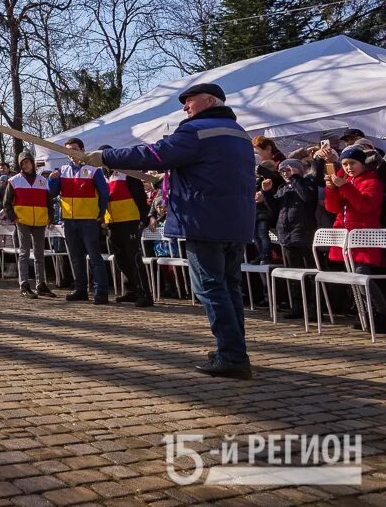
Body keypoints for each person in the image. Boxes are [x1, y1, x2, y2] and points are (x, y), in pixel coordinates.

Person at [84, 82, 255, 379]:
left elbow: (154, 153)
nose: (185, 107)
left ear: (210, 100)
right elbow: (202, 171)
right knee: (229, 288)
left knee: (211, 289)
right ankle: (234, 349)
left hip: (204, 222)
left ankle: (232, 356)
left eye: (190, 101)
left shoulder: (195, 132)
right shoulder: (238, 133)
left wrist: (107, 157)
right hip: (234, 222)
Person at [323, 146, 385, 322]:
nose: (349, 167)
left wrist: (345, 188)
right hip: (346, 236)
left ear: (362, 164)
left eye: (353, 163)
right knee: (354, 276)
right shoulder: (345, 179)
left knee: (361, 274)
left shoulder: (372, 181)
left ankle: (381, 311)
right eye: (345, 164)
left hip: (364, 235)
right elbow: (332, 207)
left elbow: (367, 207)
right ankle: (366, 314)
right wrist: (332, 189)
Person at [50, 138, 111, 304]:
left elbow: (104, 194)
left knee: (94, 257)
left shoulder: (94, 171)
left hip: (89, 220)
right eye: (68, 151)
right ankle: (81, 289)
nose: (72, 154)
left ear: (83, 150)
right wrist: (52, 180)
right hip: (69, 221)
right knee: (75, 257)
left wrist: (101, 213)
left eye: (75, 150)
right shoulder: (61, 171)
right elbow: (53, 193)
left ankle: (101, 291)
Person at [97, 146, 153, 308]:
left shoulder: (126, 172)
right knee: (121, 258)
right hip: (112, 222)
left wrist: (142, 218)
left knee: (134, 257)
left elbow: (139, 195)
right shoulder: (103, 176)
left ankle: (145, 293)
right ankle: (131, 290)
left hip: (130, 220)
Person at [264, 157, 317, 319]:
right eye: (282, 171)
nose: (285, 173)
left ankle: (313, 307)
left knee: (308, 273)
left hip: (303, 234)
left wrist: (295, 178)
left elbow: (307, 197)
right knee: (293, 273)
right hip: (286, 235)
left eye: (288, 170)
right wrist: (267, 194)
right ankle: (298, 306)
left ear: (298, 170)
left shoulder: (306, 183)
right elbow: (275, 210)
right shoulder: (282, 188)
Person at [3, 152, 55, 298]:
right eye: (22, 163)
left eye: (27, 162)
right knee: (24, 253)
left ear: (32, 163)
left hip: (39, 221)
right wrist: (14, 218)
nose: (25, 165)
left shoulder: (42, 181)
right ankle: (24, 285)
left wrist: (49, 218)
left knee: (39, 254)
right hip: (23, 222)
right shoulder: (14, 181)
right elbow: (6, 204)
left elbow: (49, 202)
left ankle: (41, 284)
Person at [252, 137, 285, 263]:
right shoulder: (256, 178)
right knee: (256, 235)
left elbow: (275, 180)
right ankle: (261, 255)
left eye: (257, 150)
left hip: (266, 211)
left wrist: (264, 193)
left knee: (262, 234)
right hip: (256, 210)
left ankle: (266, 255)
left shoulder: (274, 167)